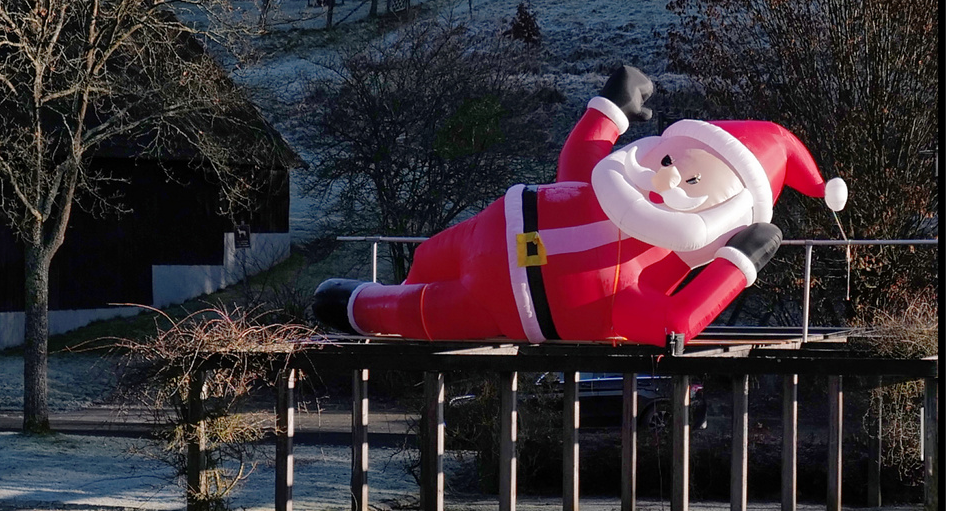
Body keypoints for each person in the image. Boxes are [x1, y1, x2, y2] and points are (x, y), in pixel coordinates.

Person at [313, 64, 848, 347]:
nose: (667, 177)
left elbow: (677, 324)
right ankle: (372, 300)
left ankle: (358, 307)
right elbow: (579, 160)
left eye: (693, 181)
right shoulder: (605, 188)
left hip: (511, 305)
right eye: (672, 159)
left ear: (724, 221)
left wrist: (738, 265)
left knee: (416, 313)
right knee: (427, 258)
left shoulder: (650, 274)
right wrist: (610, 106)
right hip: (489, 229)